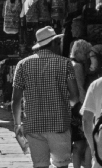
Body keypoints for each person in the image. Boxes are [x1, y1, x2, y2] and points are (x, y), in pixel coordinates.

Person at [12, 25, 79, 168]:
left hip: (33, 125)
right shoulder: (65, 63)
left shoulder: (22, 64)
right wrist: (64, 106)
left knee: (40, 165)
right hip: (59, 124)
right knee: (62, 165)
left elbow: (16, 100)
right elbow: (74, 97)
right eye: (58, 42)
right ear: (54, 43)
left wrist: (17, 124)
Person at [70, 40, 93, 168]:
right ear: (79, 52)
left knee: (77, 144)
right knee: (86, 142)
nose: (86, 57)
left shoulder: (69, 63)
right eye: (85, 54)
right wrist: (86, 106)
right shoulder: (77, 66)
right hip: (79, 106)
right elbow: (79, 88)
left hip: (73, 107)